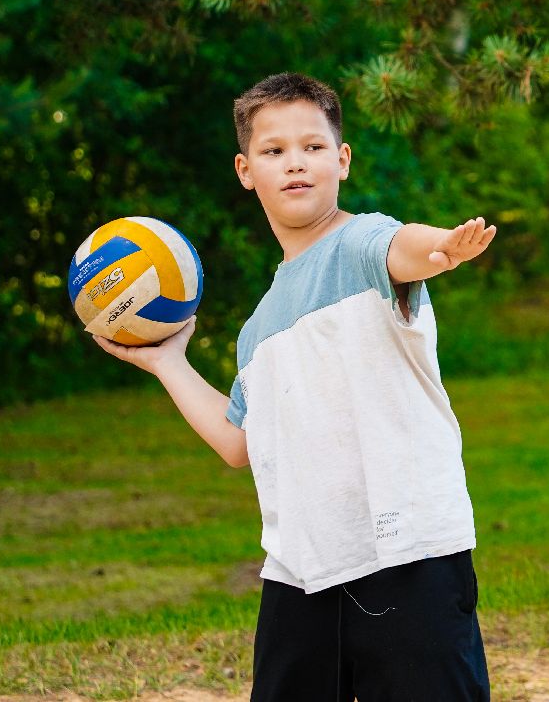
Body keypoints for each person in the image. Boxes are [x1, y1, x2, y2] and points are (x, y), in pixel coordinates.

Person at [92, 71, 494, 701]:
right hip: (300, 574)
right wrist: (169, 362)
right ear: (245, 169)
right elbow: (237, 442)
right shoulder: (257, 331)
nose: (295, 163)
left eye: (312, 147)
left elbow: (404, 247)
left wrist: (442, 245)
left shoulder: (363, 245)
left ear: (342, 159)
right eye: (273, 151)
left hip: (408, 556)